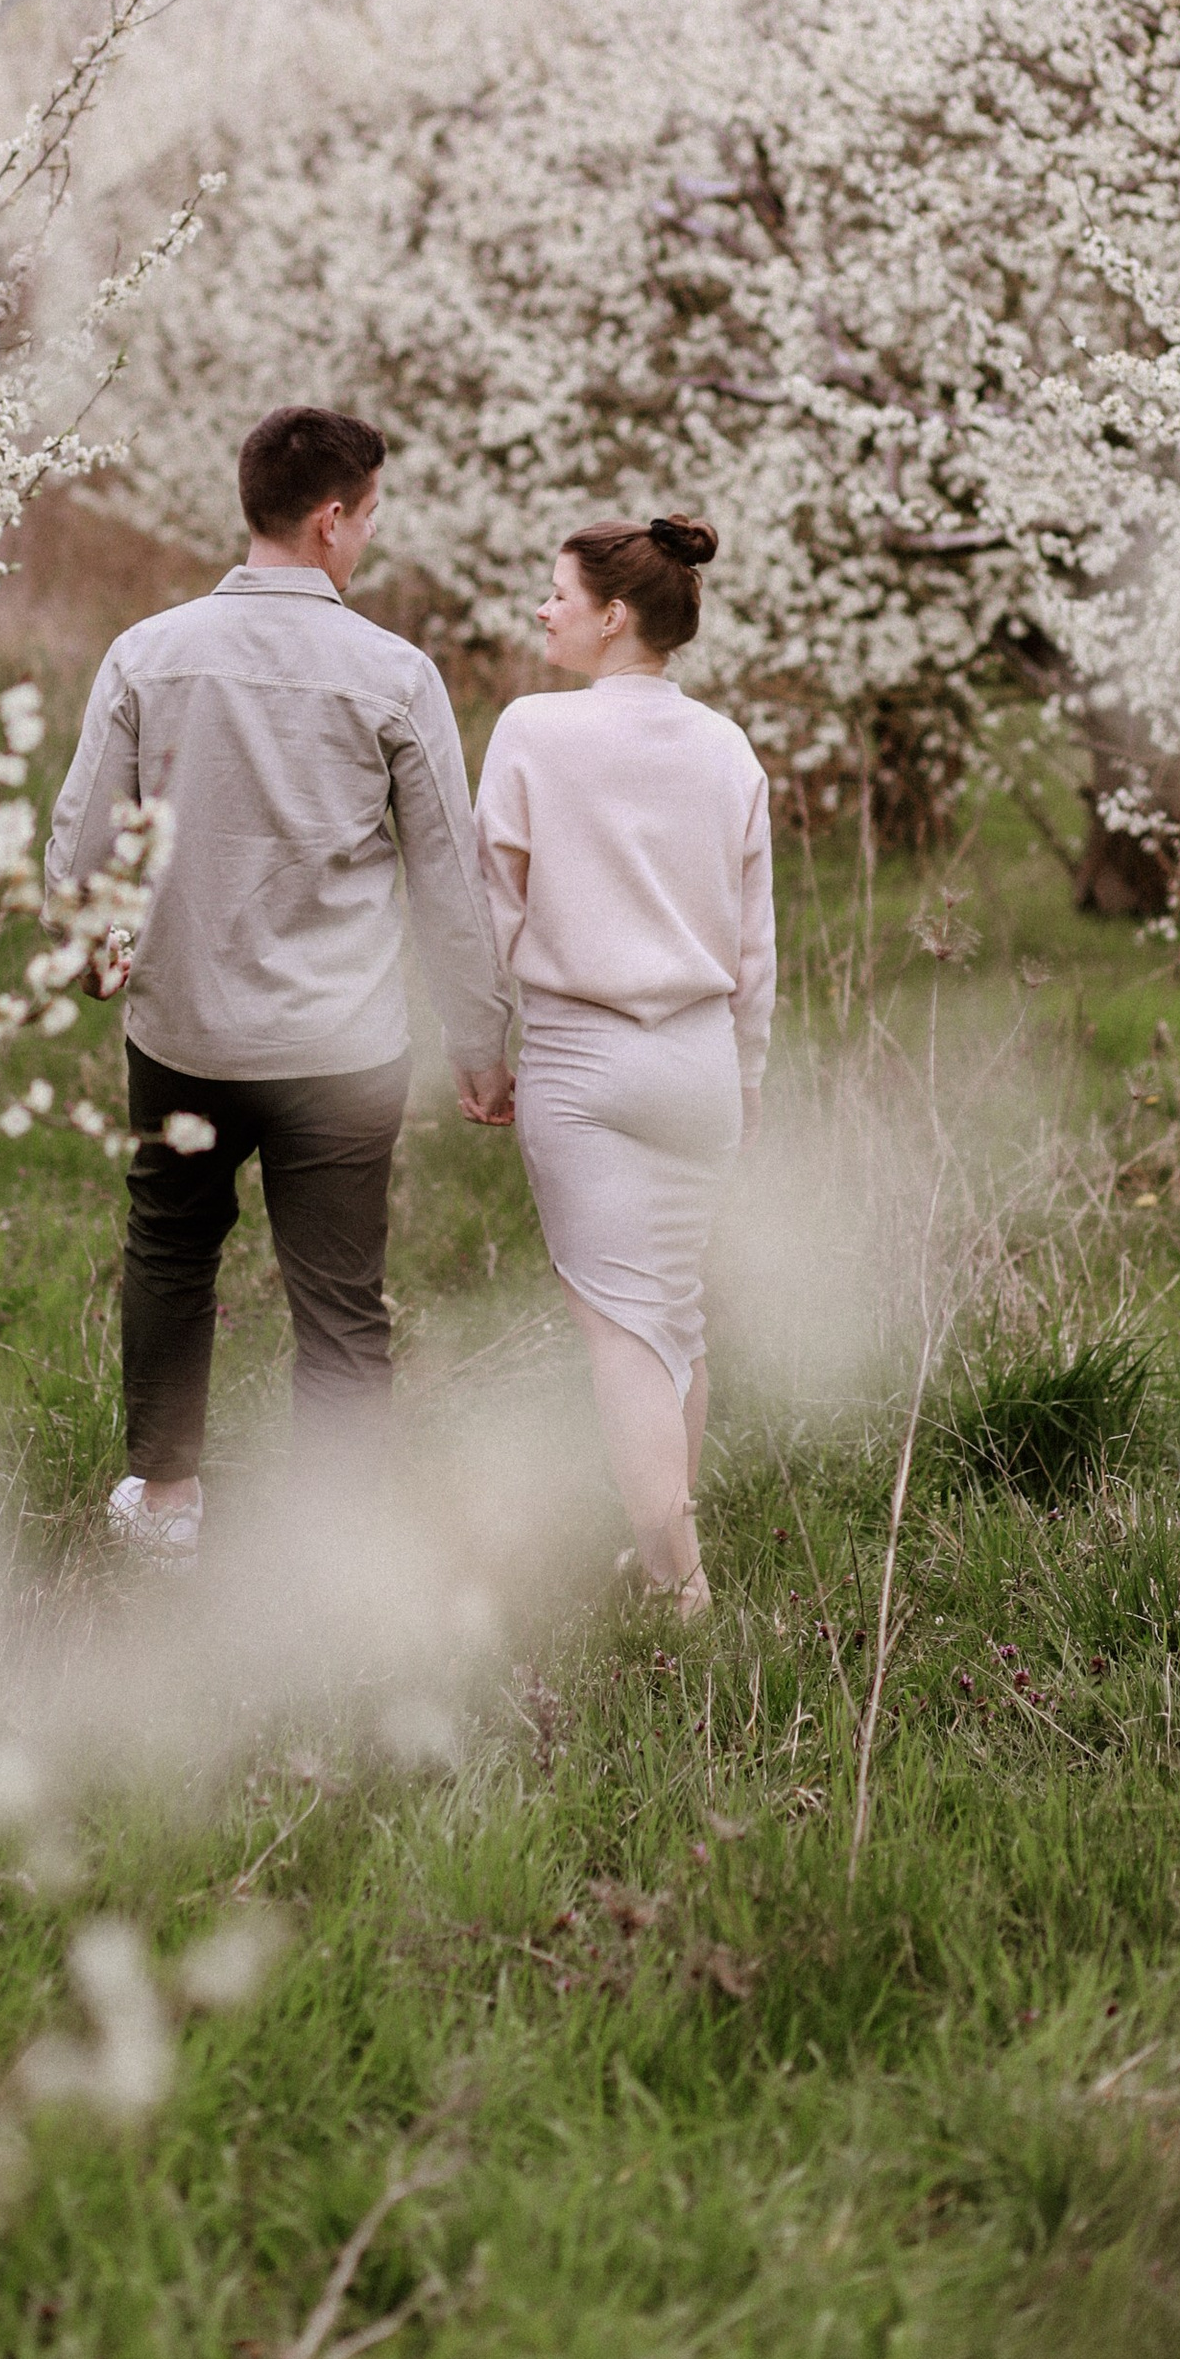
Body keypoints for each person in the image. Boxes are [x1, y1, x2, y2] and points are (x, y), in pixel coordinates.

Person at [45, 403, 515, 1561]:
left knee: (169, 1249)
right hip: (341, 1045)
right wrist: (478, 1033)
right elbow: (447, 874)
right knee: (341, 1291)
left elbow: (82, 841)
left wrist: (87, 942)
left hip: (186, 1033)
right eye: (366, 519)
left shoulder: (146, 655)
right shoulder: (395, 676)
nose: (365, 538)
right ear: (329, 520)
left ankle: (162, 1506)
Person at [473, 515, 774, 1618]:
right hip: (698, 1062)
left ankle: (681, 1584)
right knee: (674, 1321)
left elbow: (488, 909)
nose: (542, 611)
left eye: (556, 593)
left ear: (613, 616)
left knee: (622, 1332)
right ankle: (662, 1556)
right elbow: (755, 947)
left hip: (581, 1059)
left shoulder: (531, 733)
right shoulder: (728, 747)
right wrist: (745, 1080)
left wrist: (483, 1045)